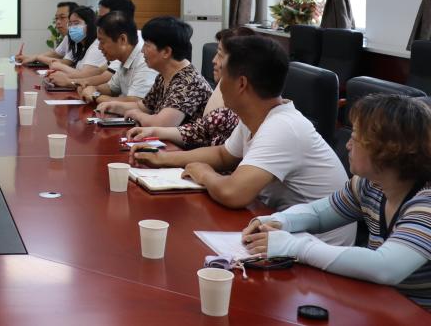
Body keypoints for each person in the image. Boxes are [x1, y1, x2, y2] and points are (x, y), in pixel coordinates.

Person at [134, 36, 354, 245]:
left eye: (223, 72)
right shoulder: (257, 116)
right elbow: (223, 155)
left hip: (314, 250)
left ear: (241, 84)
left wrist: (204, 173)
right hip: (279, 234)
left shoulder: (282, 127)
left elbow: (233, 193)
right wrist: (163, 158)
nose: (219, 82)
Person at [242, 94, 431, 310]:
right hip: (381, 304)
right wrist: (278, 221)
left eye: (356, 137)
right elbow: (318, 214)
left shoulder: (426, 204)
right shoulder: (370, 185)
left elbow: (385, 267)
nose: (348, 145)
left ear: (389, 150)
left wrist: (295, 247)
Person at [127, 26, 254, 148]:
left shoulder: (190, 81)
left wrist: (142, 119)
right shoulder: (163, 77)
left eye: (220, 55)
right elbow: (198, 133)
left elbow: (219, 153)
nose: (214, 60)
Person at [96, 16, 210, 127]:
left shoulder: (188, 82)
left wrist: (136, 115)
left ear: (166, 52)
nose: (142, 50)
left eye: (147, 45)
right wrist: (113, 106)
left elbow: (163, 124)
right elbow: (143, 107)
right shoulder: (163, 76)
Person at [45, 0, 135, 88]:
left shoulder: (131, 47)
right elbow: (101, 76)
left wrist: (69, 82)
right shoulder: (115, 44)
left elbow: (103, 78)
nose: (98, 23)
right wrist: (67, 78)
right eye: (70, 24)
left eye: (102, 19)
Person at [80, 10, 157, 104]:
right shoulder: (124, 57)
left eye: (102, 42)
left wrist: (95, 96)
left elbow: (135, 102)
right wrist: (93, 88)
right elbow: (111, 88)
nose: (99, 47)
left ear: (122, 39)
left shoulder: (145, 60)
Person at [16, 1, 79, 66]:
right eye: (56, 18)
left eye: (62, 17)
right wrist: (28, 57)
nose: (58, 22)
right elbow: (55, 54)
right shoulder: (68, 37)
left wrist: (37, 58)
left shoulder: (78, 38)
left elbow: (66, 62)